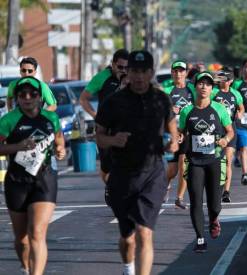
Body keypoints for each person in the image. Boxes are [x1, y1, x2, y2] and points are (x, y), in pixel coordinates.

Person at [95, 50, 178, 275]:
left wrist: (174, 145)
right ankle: (128, 266)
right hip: (122, 175)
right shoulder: (114, 102)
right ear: (128, 72)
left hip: (152, 174)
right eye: (134, 71)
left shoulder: (161, 99)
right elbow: (99, 136)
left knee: (144, 232)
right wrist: (114, 140)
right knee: (128, 238)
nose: (139, 77)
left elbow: (174, 132)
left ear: (151, 73)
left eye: (143, 72)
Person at [0, 76, 65, 275]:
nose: (27, 98)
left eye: (32, 94)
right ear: (17, 98)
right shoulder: (9, 120)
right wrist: (17, 147)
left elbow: (59, 140)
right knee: (22, 238)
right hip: (17, 181)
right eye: (22, 95)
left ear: (40, 97)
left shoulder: (51, 118)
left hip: (44, 179)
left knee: (37, 232)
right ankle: (25, 268)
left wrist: (60, 149)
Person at [179, 71, 234, 253]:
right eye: (200, 84)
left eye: (207, 84)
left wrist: (226, 140)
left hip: (215, 160)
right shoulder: (187, 111)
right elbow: (181, 132)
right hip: (195, 161)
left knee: (215, 204)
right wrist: (179, 137)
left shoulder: (219, 109)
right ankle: (200, 238)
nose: (204, 87)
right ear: (195, 87)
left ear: (212, 88)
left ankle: (213, 219)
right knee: (195, 200)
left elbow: (230, 131)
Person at [79, 49, 129, 183]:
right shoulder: (102, 77)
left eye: (126, 67)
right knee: (107, 167)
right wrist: (96, 116)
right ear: (112, 64)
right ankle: (110, 187)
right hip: (105, 129)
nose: (123, 70)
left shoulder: (132, 78)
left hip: (126, 127)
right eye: (120, 67)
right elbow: (83, 99)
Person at [162, 60, 196, 209]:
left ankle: (180, 197)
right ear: (172, 73)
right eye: (175, 71)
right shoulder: (166, 90)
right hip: (172, 132)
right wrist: (170, 111)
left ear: (186, 73)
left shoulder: (192, 89)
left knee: (184, 163)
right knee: (172, 170)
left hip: (188, 131)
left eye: (181, 71)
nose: (178, 74)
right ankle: (166, 184)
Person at [212, 67, 244, 203]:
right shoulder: (214, 92)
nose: (220, 81)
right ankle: (214, 187)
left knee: (227, 162)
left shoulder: (235, 94)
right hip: (215, 130)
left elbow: (241, 107)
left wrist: (240, 113)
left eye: (223, 79)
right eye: (219, 79)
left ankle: (226, 192)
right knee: (216, 160)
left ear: (230, 81)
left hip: (230, 130)